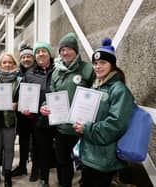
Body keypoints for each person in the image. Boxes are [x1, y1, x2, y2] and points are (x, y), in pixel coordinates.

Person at [73, 38, 134, 187]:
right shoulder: (96, 87)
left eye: (102, 63)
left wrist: (86, 128)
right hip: (90, 155)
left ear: (112, 65)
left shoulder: (119, 90)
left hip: (103, 159)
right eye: (95, 63)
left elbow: (116, 125)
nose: (98, 67)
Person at [40, 32, 96, 187]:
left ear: (76, 50)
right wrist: (45, 105)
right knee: (62, 163)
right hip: (62, 128)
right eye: (62, 50)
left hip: (82, 128)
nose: (65, 52)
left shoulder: (87, 69)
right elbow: (52, 93)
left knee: (86, 165)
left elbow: (97, 94)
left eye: (68, 48)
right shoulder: (57, 72)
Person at [21, 42, 56, 187]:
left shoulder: (59, 70)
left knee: (60, 151)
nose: (41, 54)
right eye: (38, 52)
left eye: (44, 51)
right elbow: (24, 97)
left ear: (49, 54)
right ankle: (44, 179)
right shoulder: (30, 74)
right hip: (40, 120)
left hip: (59, 117)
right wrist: (25, 108)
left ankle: (63, 177)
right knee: (42, 150)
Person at [0, 52, 21, 187]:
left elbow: (24, 98)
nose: (7, 65)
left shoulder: (19, 80)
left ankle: (7, 175)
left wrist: (17, 104)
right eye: (4, 62)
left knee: (9, 149)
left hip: (10, 120)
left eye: (10, 62)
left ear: (14, 64)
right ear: (0, 64)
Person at [12, 44, 39, 182]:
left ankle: (35, 169)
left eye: (29, 56)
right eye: (23, 57)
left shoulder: (39, 71)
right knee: (23, 141)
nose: (26, 59)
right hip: (21, 113)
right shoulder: (17, 73)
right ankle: (22, 166)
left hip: (35, 114)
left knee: (35, 142)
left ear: (33, 58)